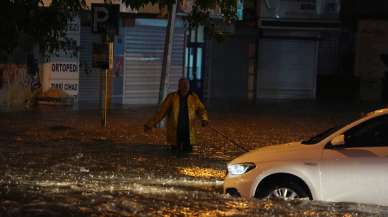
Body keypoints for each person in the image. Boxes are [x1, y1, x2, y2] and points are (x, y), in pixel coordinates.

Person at [144, 78, 208, 155]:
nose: (185, 86)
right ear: (179, 86)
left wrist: (204, 119)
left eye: (187, 84)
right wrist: (150, 124)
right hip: (175, 130)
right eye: (183, 84)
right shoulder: (172, 97)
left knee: (188, 152)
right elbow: (161, 113)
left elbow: (201, 109)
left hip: (188, 130)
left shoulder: (194, 97)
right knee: (174, 153)